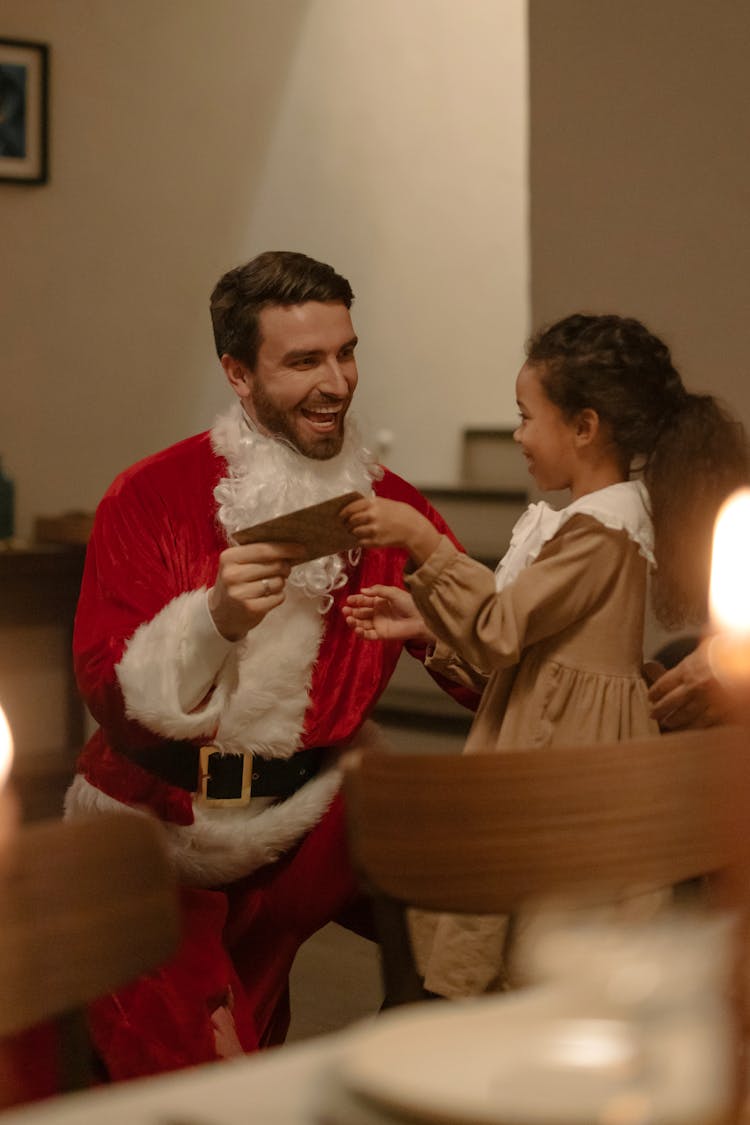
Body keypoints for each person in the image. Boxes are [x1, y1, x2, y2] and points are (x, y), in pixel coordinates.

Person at [64, 250, 467, 1079]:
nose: (337, 382)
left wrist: (443, 610)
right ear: (238, 374)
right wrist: (211, 623)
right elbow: (108, 684)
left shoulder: (393, 509)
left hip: (312, 819)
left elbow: (484, 665)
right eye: (304, 361)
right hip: (160, 832)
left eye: (346, 351)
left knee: (473, 940)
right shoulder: (149, 496)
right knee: (203, 1073)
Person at [342, 313, 749, 999]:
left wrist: (423, 539)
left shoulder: (604, 530)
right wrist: (429, 622)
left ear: (584, 426)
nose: (518, 434)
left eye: (527, 416)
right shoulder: (591, 524)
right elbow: (520, 653)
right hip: (549, 725)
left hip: (570, 751)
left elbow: (501, 628)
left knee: (544, 931)